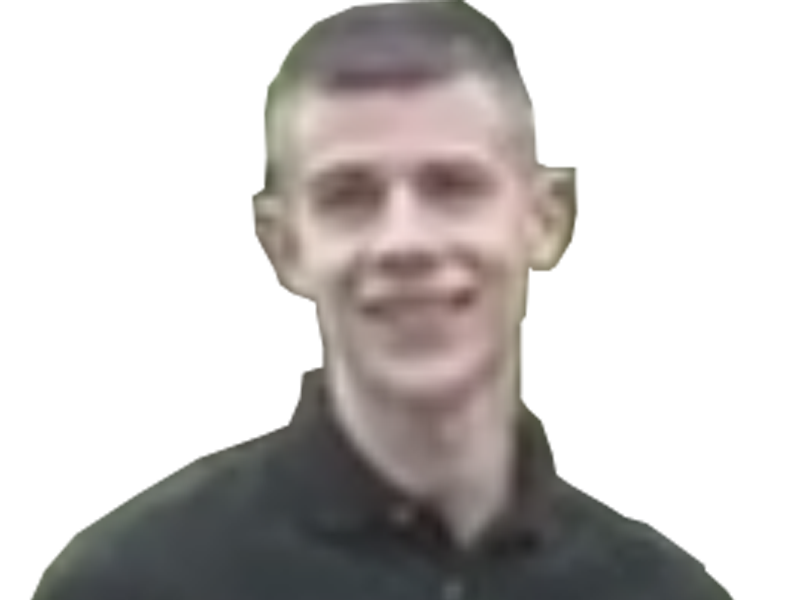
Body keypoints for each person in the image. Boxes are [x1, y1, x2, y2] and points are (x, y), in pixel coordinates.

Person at [40, 2, 723, 598]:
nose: (405, 242)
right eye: (349, 197)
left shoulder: (652, 591)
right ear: (288, 247)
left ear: (541, 223)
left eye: (452, 186)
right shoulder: (142, 585)